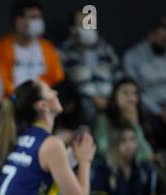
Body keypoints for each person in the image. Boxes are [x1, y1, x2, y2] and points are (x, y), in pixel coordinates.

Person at [59, 10, 122, 126]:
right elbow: (66, 83)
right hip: (85, 100)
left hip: (111, 97)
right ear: (72, 29)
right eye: (83, 25)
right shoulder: (63, 52)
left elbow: (118, 74)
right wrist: (92, 97)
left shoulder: (106, 49)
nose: (89, 28)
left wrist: (116, 96)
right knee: (86, 105)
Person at [87, 124, 156, 195]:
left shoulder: (144, 170)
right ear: (114, 144)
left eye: (132, 140)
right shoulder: (103, 170)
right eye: (123, 140)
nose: (129, 146)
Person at [0, 0, 64, 97]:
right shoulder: (1, 47)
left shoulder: (47, 47)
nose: (38, 22)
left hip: (44, 100)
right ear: (18, 21)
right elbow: (2, 82)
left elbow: (57, 78)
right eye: (33, 18)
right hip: (14, 101)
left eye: (39, 17)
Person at [123, 16, 166, 150]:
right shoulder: (132, 56)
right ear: (151, 35)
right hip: (148, 105)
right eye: (162, 39)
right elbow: (134, 91)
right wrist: (159, 112)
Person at [93, 77, 154, 162]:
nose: (131, 98)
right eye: (125, 93)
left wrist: (135, 125)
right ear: (115, 97)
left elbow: (147, 155)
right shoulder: (104, 119)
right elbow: (102, 150)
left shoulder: (143, 119)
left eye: (134, 93)